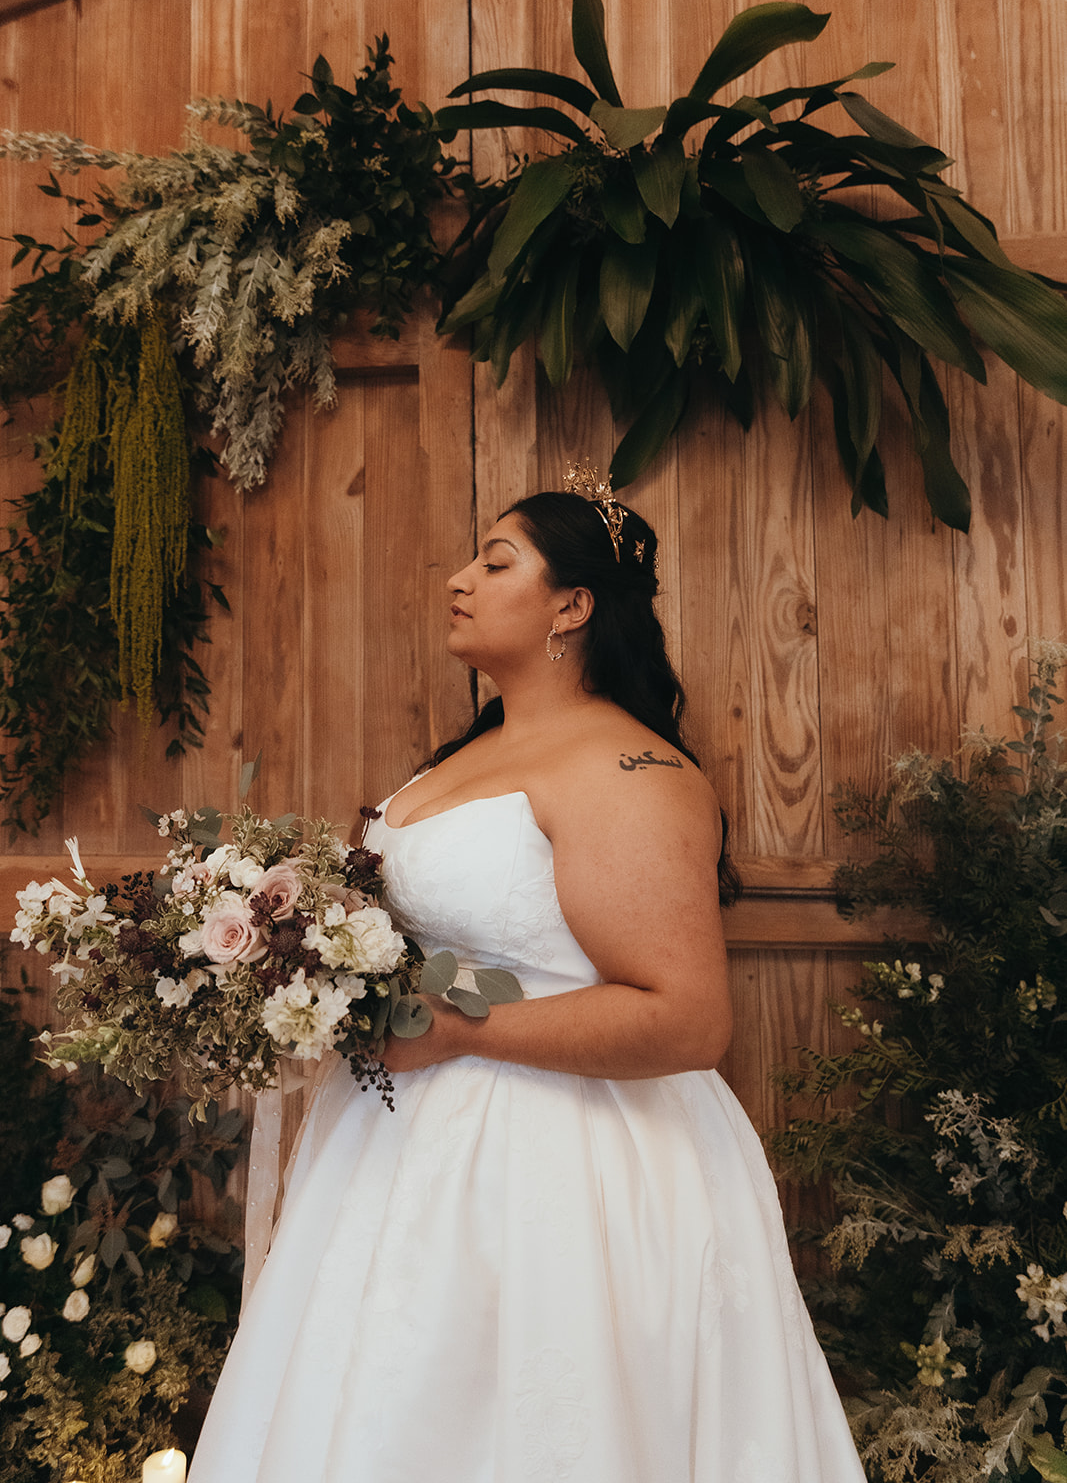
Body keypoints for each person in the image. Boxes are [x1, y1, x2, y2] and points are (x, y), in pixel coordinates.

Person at [189, 465, 866, 1483]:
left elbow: (685, 1020)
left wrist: (458, 1032)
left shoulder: (627, 771)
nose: (459, 578)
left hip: (562, 1166)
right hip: (399, 1151)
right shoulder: (460, 759)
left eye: (494, 560)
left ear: (572, 605)